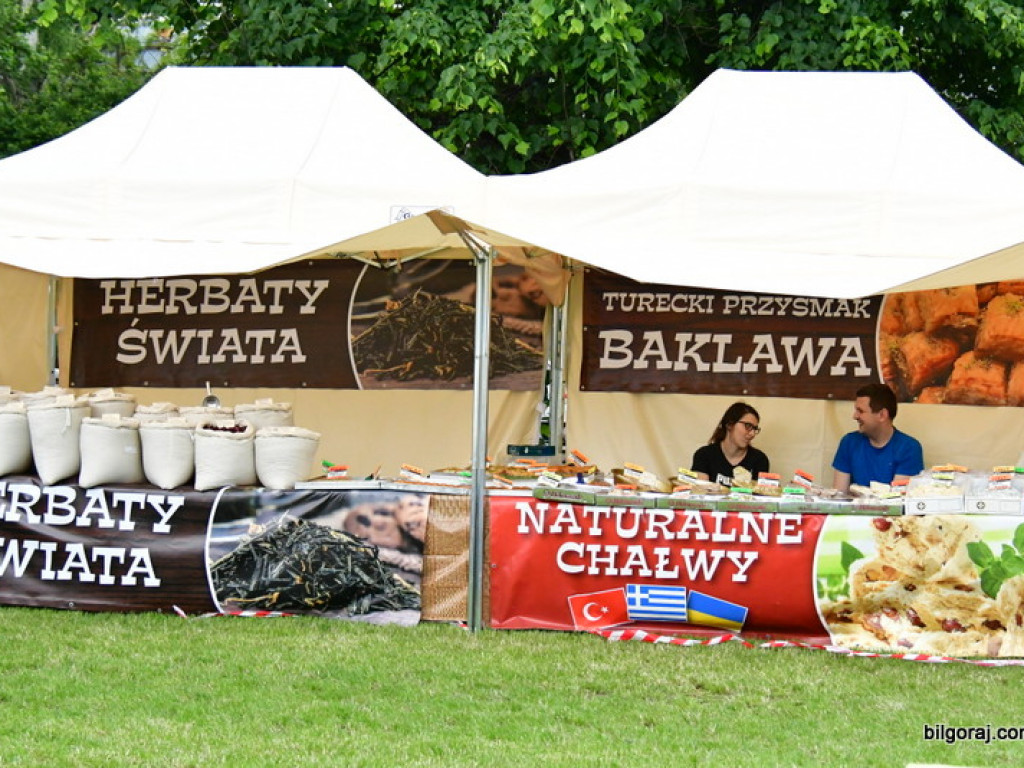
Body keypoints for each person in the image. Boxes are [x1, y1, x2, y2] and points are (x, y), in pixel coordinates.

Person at [832, 382, 923, 492]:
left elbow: (897, 500)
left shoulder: (909, 448)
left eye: (860, 411)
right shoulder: (849, 442)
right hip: (853, 509)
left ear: (882, 415)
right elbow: (838, 495)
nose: (855, 416)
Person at [691, 402, 770, 485]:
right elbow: (700, 492)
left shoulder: (760, 459)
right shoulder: (704, 455)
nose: (752, 434)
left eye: (755, 429)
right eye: (748, 426)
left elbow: (760, 495)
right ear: (729, 424)